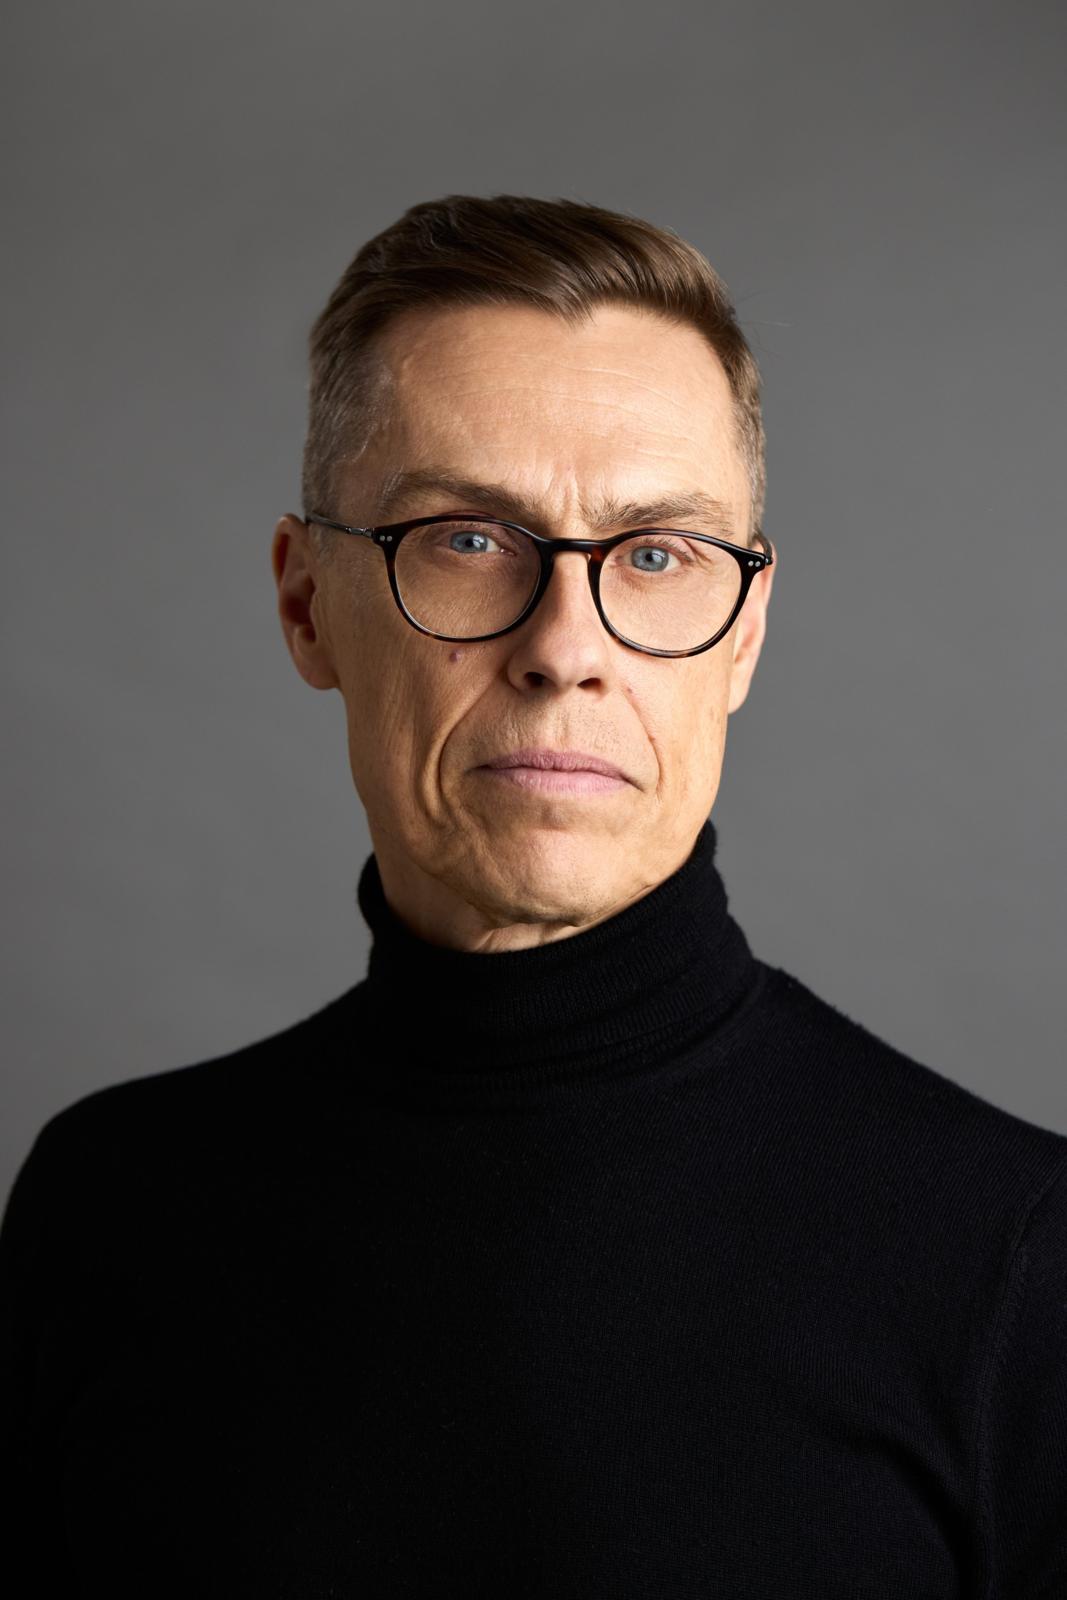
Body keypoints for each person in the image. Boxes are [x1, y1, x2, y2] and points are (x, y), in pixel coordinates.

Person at [2, 192, 1064, 1598]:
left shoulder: (1016, 1259)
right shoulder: (108, 1210)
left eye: (658, 553)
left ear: (745, 636)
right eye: (466, 537)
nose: (566, 647)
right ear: (307, 604)